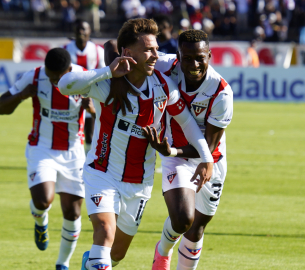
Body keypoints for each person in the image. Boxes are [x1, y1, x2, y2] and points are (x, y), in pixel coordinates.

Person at [58, 18, 214, 270]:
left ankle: (91, 263)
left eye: (156, 48)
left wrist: (206, 158)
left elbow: (188, 124)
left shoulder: (163, 87)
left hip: (139, 183)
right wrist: (108, 70)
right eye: (149, 50)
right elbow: (64, 85)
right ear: (128, 53)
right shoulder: (109, 84)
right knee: (105, 232)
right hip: (102, 173)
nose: (156, 55)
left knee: (116, 254)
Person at [104, 29, 233, 270]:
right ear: (177, 56)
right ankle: (162, 252)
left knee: (195, 230)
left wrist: (171, 150)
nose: (194, 64)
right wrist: (116, 77)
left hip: (207, 158)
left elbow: (208, 146)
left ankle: (169, 251)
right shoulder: (164, 65)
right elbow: (112, 47)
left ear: (210, 55)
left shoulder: (221, 92)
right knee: (183, 218)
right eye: (187, 58)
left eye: (200, 57)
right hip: (174, 154)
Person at [0, 48, 88, 270]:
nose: (54, 81)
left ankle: (62, 264)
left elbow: (110, 109)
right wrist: (22, 95)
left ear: (69, 70)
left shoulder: (85, 78)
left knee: (72, 212)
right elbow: (1, 107)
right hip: (42, 147)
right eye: (50, 76)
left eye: (58, 77)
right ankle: (40, 222)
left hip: (73, 150)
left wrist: (94, 109)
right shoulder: (35, 76)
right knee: (42, 201)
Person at [63, 19, 105, 153]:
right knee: (71, 131)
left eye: (84, 29)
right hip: (70, 97)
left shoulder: (98, 51)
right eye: (78, 29)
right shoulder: (65, 50)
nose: (81, 31)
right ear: (74, 32)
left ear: (89, 32)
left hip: (91, 96)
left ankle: (88, 158)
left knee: (90, 131)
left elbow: (103, 73)